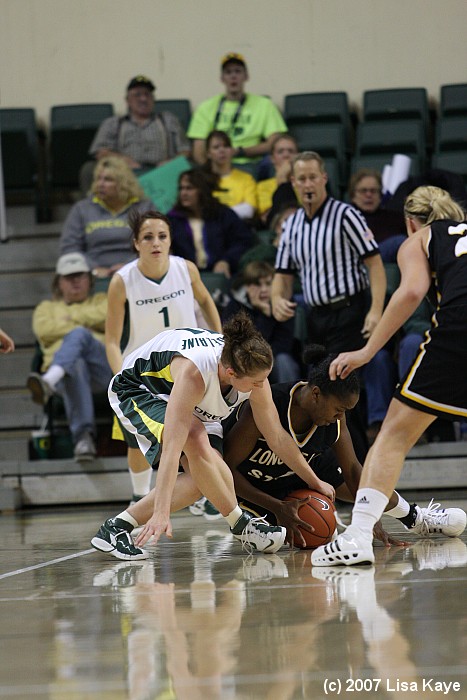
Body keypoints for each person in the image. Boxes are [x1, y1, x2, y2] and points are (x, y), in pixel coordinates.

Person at [91, 312, 337, 561]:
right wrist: (161, 511)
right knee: (194, 437)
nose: (262, 386)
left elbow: (277, 436)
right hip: (141, 389)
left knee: (203, 480)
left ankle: (115, 528)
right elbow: (173, 449)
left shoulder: (249, 367)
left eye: (265, 378)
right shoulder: (195, 375)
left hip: (196, 404)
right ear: (231, 373)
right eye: (256, 382)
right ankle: (241, 524)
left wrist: (314, 481)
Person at [311, 185, 467, 567]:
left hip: (458, 329)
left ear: (410, 221)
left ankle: (359, 536)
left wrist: (367, 351)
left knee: (393, 437)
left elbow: (412, 291)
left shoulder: (419, 239)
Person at [222, 344, 464, 547]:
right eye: (339, 410)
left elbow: (352, 469)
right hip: (255, 485)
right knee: (273, 544)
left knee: (365, 486)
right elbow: (226, 472)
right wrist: (277, 507)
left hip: (306, 469)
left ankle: (416, 518)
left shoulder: (334, 417)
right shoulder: (267, 406)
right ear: (316, 394)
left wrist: (367, 515)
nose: (339, 418)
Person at [271, 151, 387, 462]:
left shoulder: (346, 215)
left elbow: (375, 265)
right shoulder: (293, 225)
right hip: (315, 317)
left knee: (338, 388)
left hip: (349, 312)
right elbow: (281, 275)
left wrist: (376, 310)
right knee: (319, 393)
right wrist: (276, 298)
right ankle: (331, 466)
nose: (308, 184)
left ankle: (359, 469)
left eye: (313, 177)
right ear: (293, 183)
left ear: (324, 179)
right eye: (302, 179)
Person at [105, 209, 222, 503]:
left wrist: (221, 341)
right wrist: (121, 377)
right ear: (136, 243)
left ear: (170, 240)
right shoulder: (122, 281)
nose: (156, 243)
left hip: (186, 366)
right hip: (142, 374)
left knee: (197, 434)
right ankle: (138, 495)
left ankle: (204, 492)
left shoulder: (186, 269)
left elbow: (206, 300)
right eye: (148, 237)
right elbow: (110, 340)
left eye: (162, 236)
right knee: (138, 444)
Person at [27, 252, 113, 461]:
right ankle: (83, 439)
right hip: (70, 377)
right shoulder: (45, 308)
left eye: (80, 276)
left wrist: (71, 319)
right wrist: (87, 323)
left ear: (90, 280)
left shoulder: (103, 300)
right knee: (76, 363)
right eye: (69, 277)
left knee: (79, 335)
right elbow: (44, 331)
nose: (75, 281)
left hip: (103, 373)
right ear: (58, 283)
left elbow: (108, 318)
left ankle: (48, 381)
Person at [80, 75, 190, 192]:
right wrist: (122, 160)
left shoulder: (168, 120)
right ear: (127, 100)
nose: (143, 99)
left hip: (162, 173)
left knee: (191, 167)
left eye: (147, 94)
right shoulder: (113, 123)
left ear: (153, 99)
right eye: (137, 95)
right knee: (88, 169)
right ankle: (92, 209)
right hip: (123, 173)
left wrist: (171, 163)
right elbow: (101, 153)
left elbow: (185, 151)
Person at [187, 53, 287, 172]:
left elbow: (275, 143)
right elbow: (198, 150)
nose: (233, 76)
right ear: (222, 78)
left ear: (246, 76)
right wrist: (209, 171)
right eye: (228, 72)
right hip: (216, 165)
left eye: (238, 71)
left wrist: (241, 151)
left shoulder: (265, 105)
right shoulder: (205, 107)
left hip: (251, 163)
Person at [60, 156, 152, 279]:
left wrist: (130, 266)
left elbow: (154, 244)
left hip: (138, 273)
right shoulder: (81, 209)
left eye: (108, 180)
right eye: (98, 179)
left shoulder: (145, 208)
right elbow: (70, 248)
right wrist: (92, 269)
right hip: (92, 276)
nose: (100, 184)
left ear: (123, 183)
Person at [222, 261, 300, 384]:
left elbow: (284, 344)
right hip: (245, 358)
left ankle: (289, 399)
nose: (263, 289)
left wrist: (264, 358)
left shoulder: (283, 304)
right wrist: (265, 315)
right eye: (257, 284)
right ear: (247, 286)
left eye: (268, 284)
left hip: (275, 358)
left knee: (283, 361)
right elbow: (238, 344)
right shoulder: (235, 306)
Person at [168, 169, 253, 278]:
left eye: (189, 188)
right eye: (181, 188)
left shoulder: (223, 214)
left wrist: (226, 261)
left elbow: (242, 241)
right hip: (185, 278)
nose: (183, 193)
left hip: (224, 274)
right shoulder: (173, 219)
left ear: (203, 190)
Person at [203, 130, 257, 220]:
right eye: (216, 147)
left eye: (226, 146)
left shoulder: (246, 178)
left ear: (232, 150)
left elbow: (249, 210)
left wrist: (219, 214)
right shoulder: (201, 179)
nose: (222, 150)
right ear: (208, 153)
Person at [349, 168, 406, 249]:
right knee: (399, 241)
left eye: (373, 191)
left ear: (380, 195)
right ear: (353, 195)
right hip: (364, 257)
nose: (368, 195)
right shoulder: (348, 218)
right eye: (363, 191)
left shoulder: (395, 217)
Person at [256, 133, 298, 223]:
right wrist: (282, 178)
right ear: (272, 158)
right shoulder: (263, 187)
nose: (286, 155)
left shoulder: (307, 183)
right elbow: (272, 218)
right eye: (280, 151)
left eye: (291, 151)